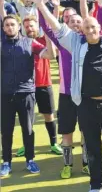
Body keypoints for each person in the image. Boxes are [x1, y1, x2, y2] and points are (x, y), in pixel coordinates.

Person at [34, 0, 102, 192]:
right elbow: (57, 27)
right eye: (87, 28)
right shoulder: (76, 43)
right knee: (93, 150)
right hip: (87, 106)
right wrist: (41, 6)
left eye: (93, 27)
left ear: (100, 28)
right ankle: (96, 185)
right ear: (82, 30)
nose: (90, 31)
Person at [0, 15, 55, 177]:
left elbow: (49, 55)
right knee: (6, 130)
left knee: (28, 129)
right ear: (3, 28)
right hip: (5, 94)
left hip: (26, 93)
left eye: (12, 24)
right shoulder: (1, 45)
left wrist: (50, 38)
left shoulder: (30, 43)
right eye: (7, 25)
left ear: (18, 27)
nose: (10, 27)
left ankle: (30, 160)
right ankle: (6, 162)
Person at [39, 7, 89, 178]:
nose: (75, 23)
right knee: (67, 133)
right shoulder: (62, 40)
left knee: (86, 132)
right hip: (66, 94)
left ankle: (86, 163)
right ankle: (67, 165)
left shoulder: (88, 40)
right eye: (72, 21)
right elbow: (45, 27)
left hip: (86, 95)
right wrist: (40, 6)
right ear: (66, 24)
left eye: (78, 21)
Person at [14, 15, 63, 157]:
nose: (29, 28)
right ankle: (26, 144)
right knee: (27, 117)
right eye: (27, 26)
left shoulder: (43, 40)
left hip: (44, 84)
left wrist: (47, 33)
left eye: (32, 25)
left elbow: (52, 53)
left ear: (37, 26)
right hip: (26, 87)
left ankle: (53, 143)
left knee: (49, 115)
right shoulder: (21, 42)